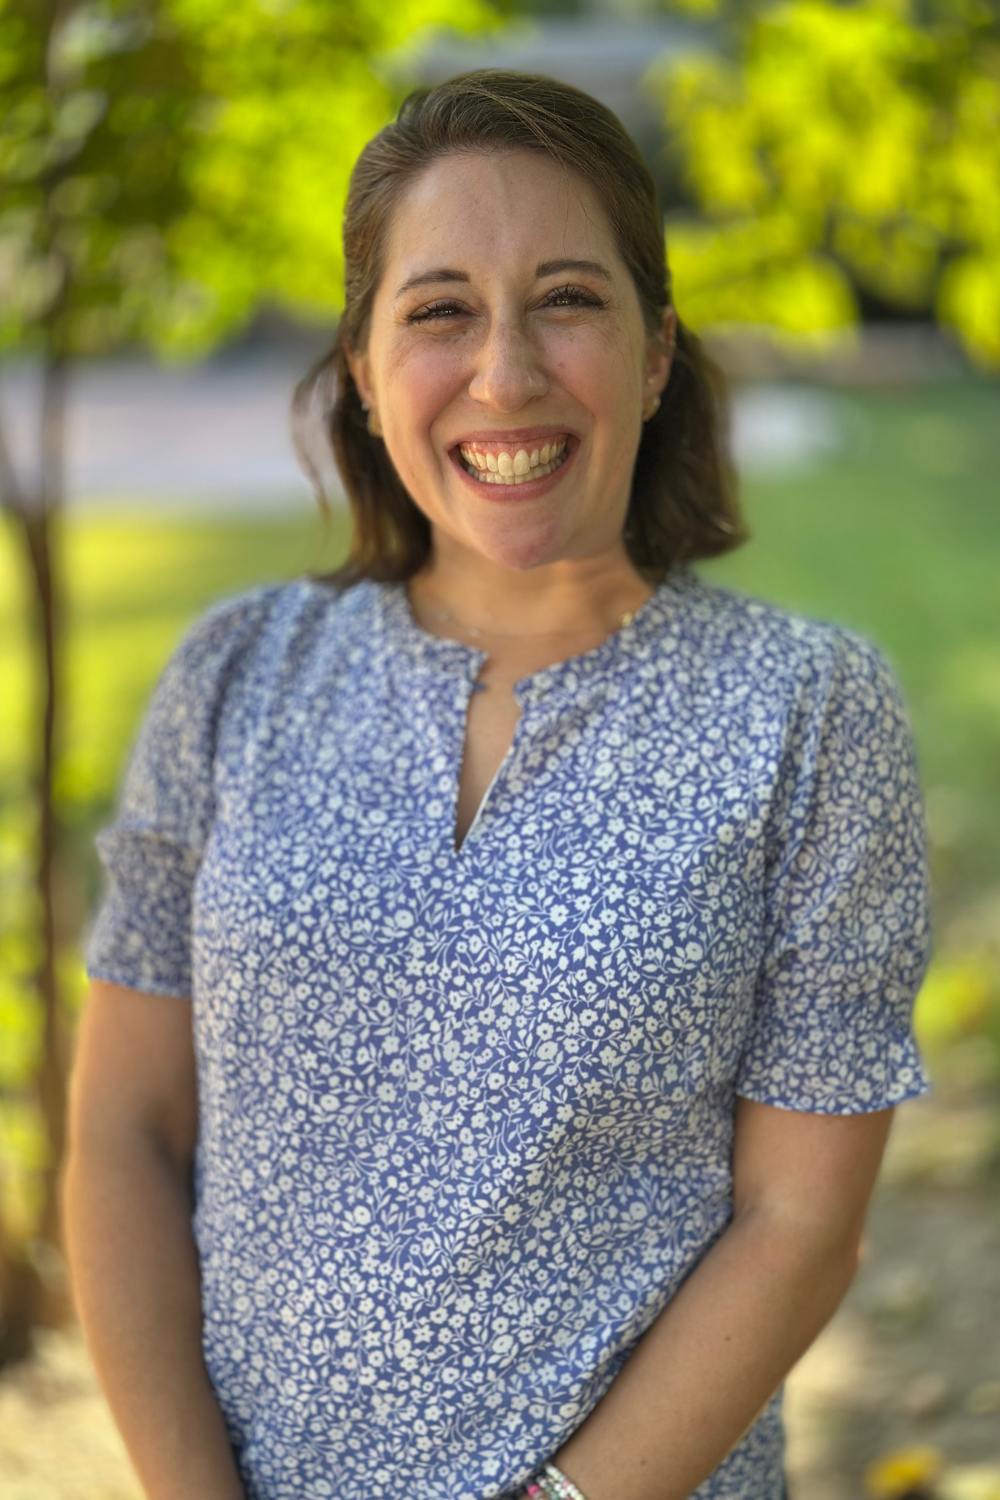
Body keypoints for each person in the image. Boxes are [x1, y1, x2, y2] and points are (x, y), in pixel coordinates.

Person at [63, 69, 933, 1500]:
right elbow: (123, 1135)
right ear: (364, 367)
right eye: (440, 311)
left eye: (568, 300)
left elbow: (798, 1225)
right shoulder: (231, 676)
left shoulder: (807, 713)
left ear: (656, 354)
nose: (507, 375)